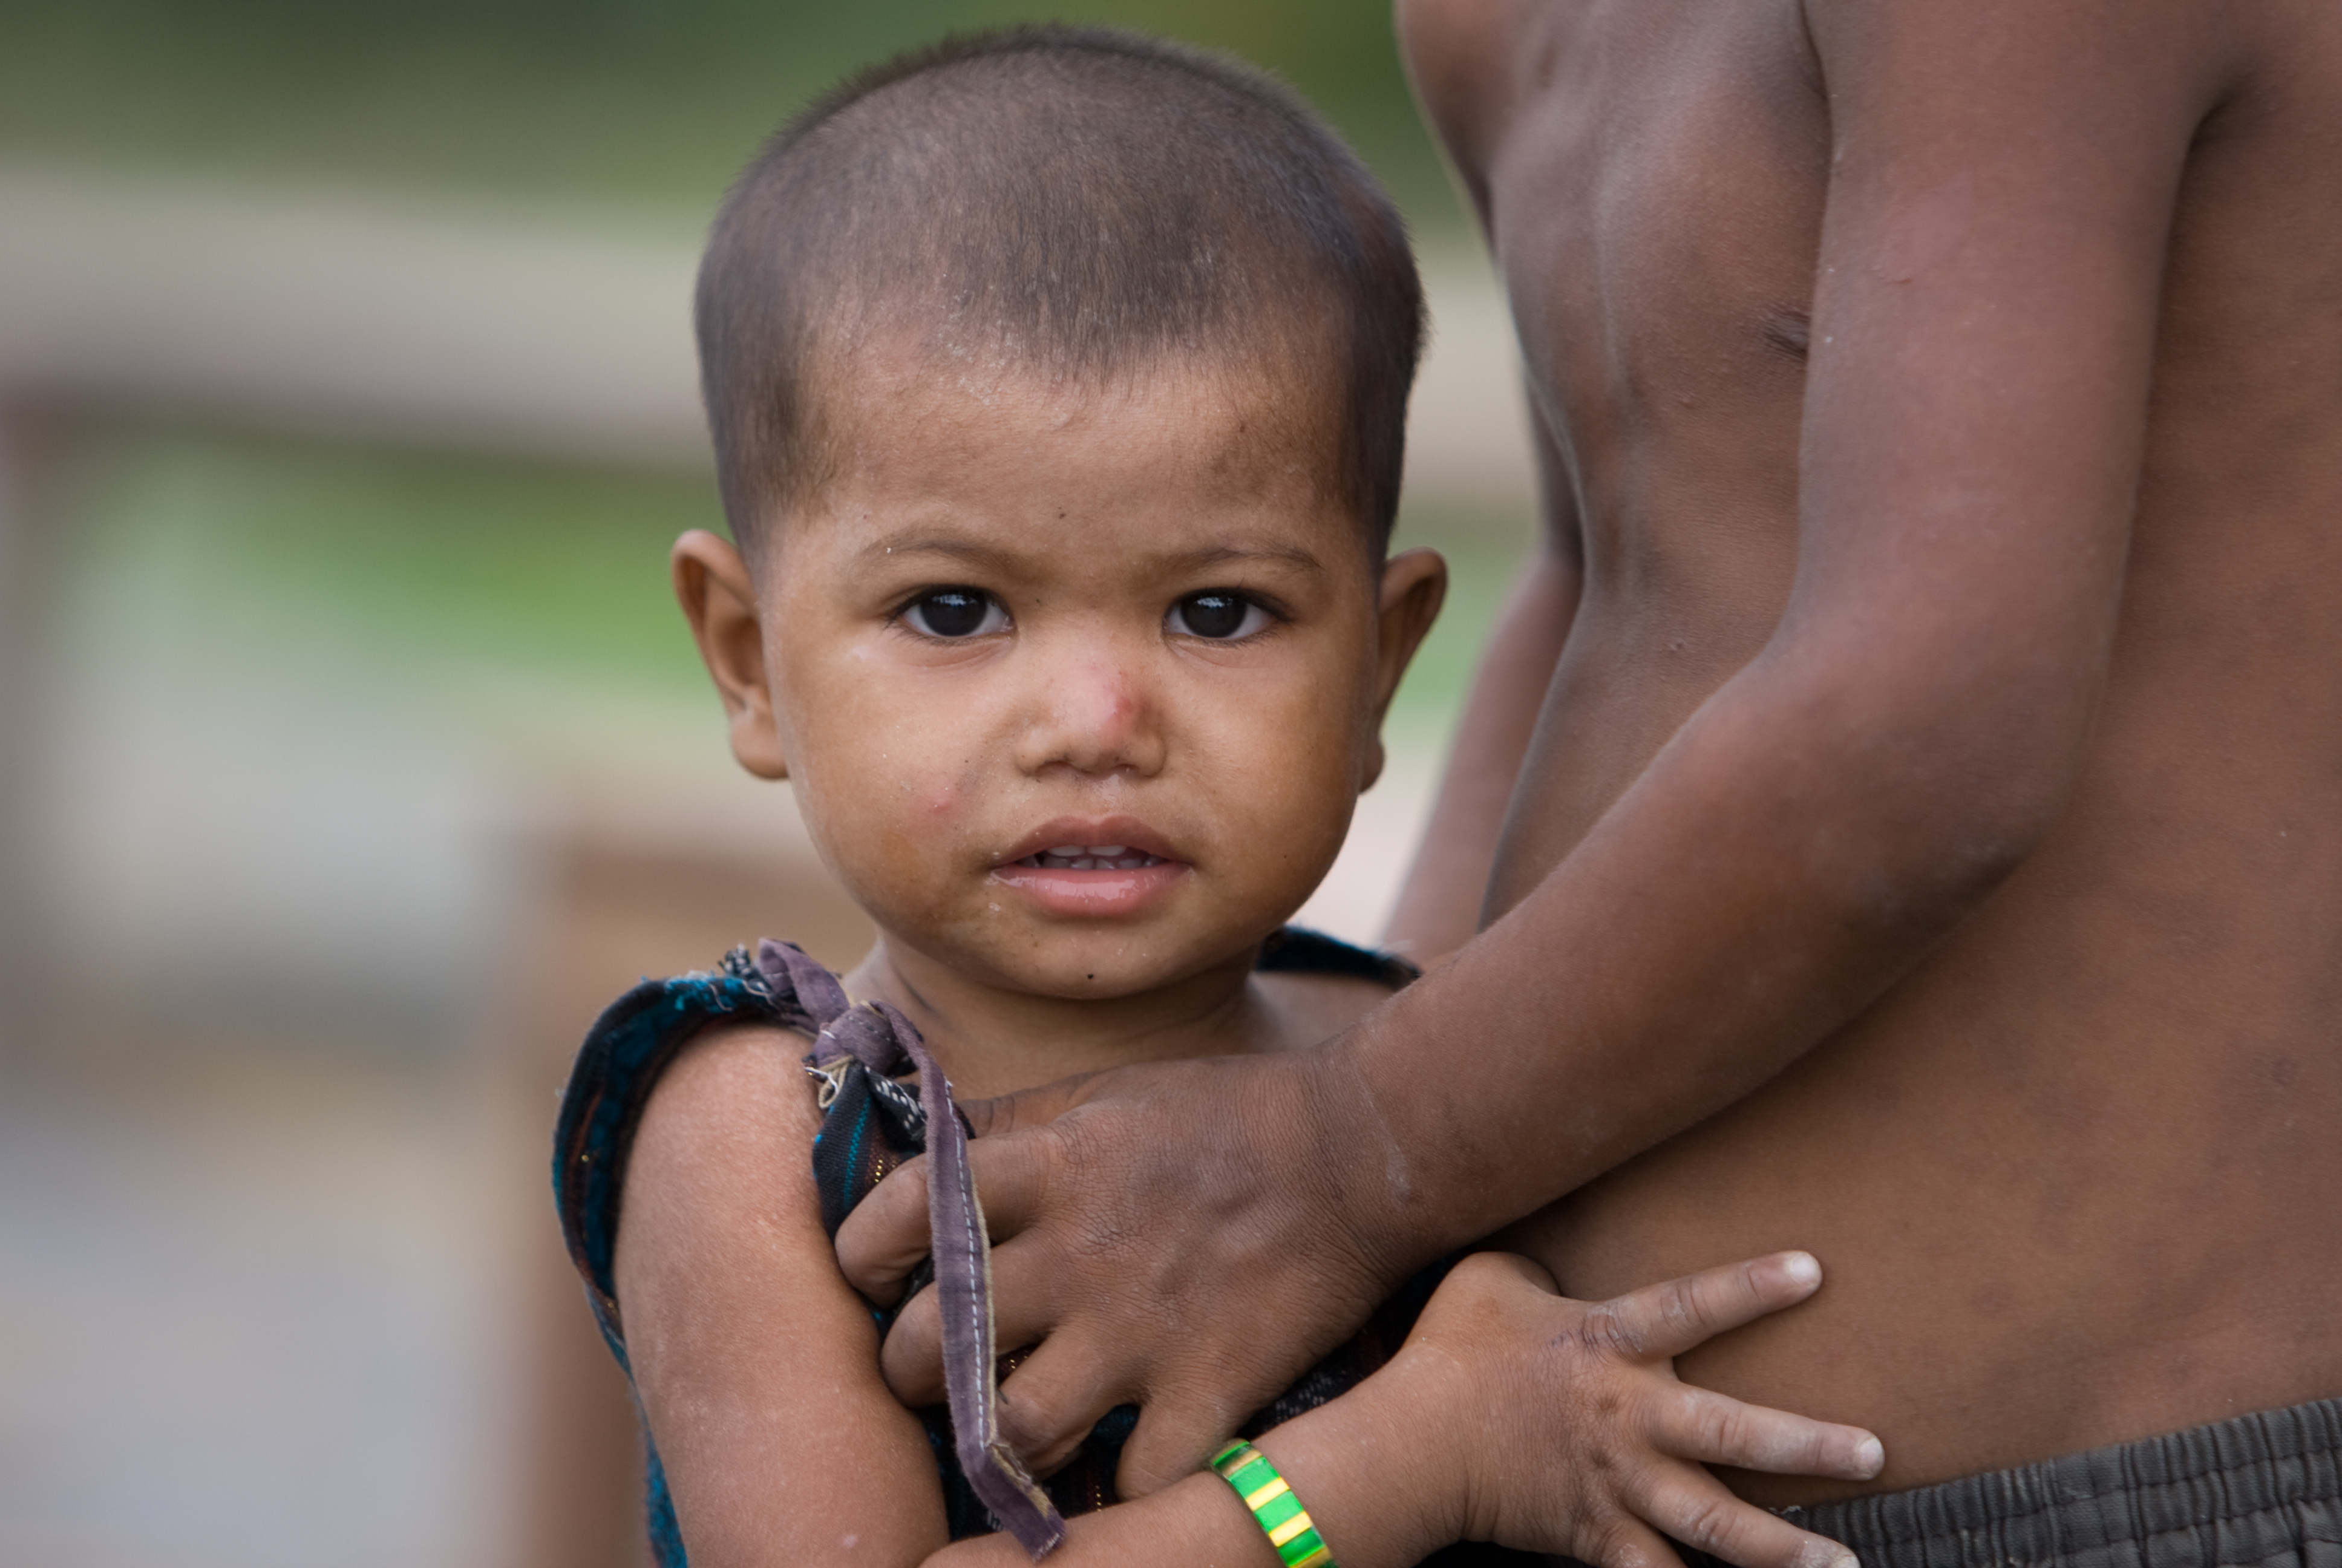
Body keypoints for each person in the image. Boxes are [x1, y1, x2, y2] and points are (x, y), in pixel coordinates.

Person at [810, 2, 2342, 1566]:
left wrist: (1341, 1160)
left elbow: (1931, 723)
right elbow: (1609, 572)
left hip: (2118, 1500)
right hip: (1541, 1458)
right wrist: (1338, 1194)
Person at [551, 25, 1885, 1568]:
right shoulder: (756, 1137)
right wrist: (1403, 1461)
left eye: (1218, 614)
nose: (1099, 725)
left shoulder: (1424, 1079)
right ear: (749, 664)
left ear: (1378, 672)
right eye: (954, 611)